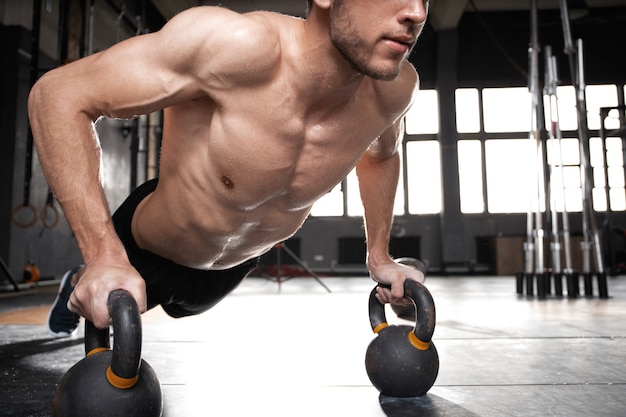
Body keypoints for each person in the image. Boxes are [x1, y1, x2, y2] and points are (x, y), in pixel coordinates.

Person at [29, 0, 429, 337]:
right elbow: (58, 95)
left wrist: (379, 255)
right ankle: (78, 280)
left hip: (231, 271)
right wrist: (103, 256)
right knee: (104, 302)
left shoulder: (393, 90)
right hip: (147, 249)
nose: (416, 11)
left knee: (177, 303)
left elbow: (382, 156)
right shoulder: (236, 48)